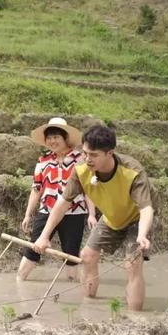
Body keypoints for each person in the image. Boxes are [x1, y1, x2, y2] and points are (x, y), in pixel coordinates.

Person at [33, 125, 154, 311]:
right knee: (87, 256)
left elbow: (146, 208)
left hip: (136, 220)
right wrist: (44, 236)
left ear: (110, 153)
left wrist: (143, 235)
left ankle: (135, 318)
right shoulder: (81, 171)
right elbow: (62, 204)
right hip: (111, 218)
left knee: (132, 264)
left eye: (94, 155)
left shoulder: (132, 171)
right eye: (85, 153)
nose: (88, 159)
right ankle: (89, 305)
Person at [17, 118, 97, 282]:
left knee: (70, 252)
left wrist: (91, 214)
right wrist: (28, 214)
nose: (52, 141)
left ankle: (70, 284)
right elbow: (36, 189)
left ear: (65, 138)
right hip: (47, 210)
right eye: (49, 137)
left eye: (56, 137)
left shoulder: (80, 160)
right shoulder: (43, 161)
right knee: (34, 246)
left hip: (74, 211)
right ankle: (20, 280)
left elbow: (88, 188)